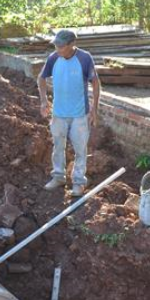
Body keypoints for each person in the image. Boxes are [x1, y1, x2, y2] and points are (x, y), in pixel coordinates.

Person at [38, 29, 101, 197]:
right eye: (56, 45)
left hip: (80, 114)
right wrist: (44, 100)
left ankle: (79, 182)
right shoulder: (53, 58)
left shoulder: (84, 58)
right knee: (58, 147)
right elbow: (41, 78)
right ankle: (58, 177)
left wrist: (95, 108)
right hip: (58, 113)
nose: (58, 49)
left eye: (61, 46)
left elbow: (95, 82)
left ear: (72, 44)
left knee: (80, 149)